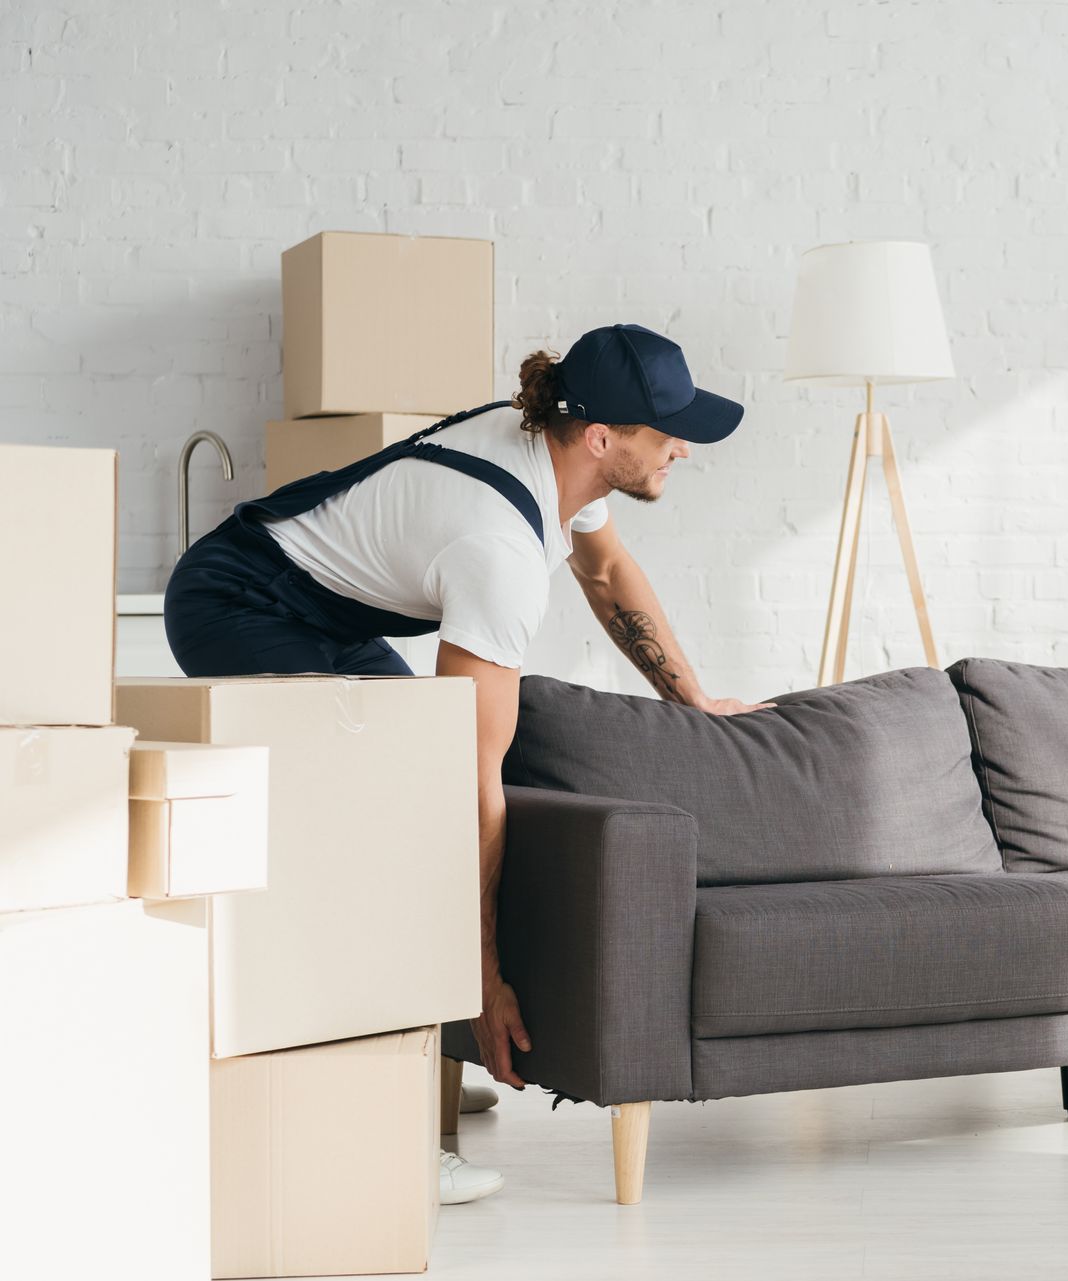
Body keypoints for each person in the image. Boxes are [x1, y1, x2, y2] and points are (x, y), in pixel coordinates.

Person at [165, 323, 770, 1200]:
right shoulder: (501, 550)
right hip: (235, 605)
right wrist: (480, 981)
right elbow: (464, 778)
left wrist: (695, 698)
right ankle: (383, 1131)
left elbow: (605, 574)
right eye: (668, 429)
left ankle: (400, 1051)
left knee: (401, 792)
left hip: (314, 614)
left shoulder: (558, 451)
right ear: (602, 439)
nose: (683, 445)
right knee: (386, 830)